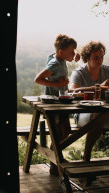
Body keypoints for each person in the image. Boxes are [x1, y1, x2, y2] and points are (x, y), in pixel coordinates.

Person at [69, 41, 109, 163]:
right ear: (87, 58)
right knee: (99, 114)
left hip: (105, 112)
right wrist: (98, 87)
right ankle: (87, 157)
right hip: (82, 113)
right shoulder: (79, 72)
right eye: (96, 57)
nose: (100, 60)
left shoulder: (107, 70)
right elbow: (72, 90)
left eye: (101, 57)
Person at [34, 34, 80, 175]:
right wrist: (57, 84)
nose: (74, 53)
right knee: (60, 132)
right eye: (72, 51)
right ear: (61, 52)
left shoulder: (58, 57)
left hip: (61, 101)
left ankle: (55, 160)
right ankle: (55, 162)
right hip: (54, 104)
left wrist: (74, 55)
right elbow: (38, 79)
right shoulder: (54, 63)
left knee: (63, 132)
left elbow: (54, 54)